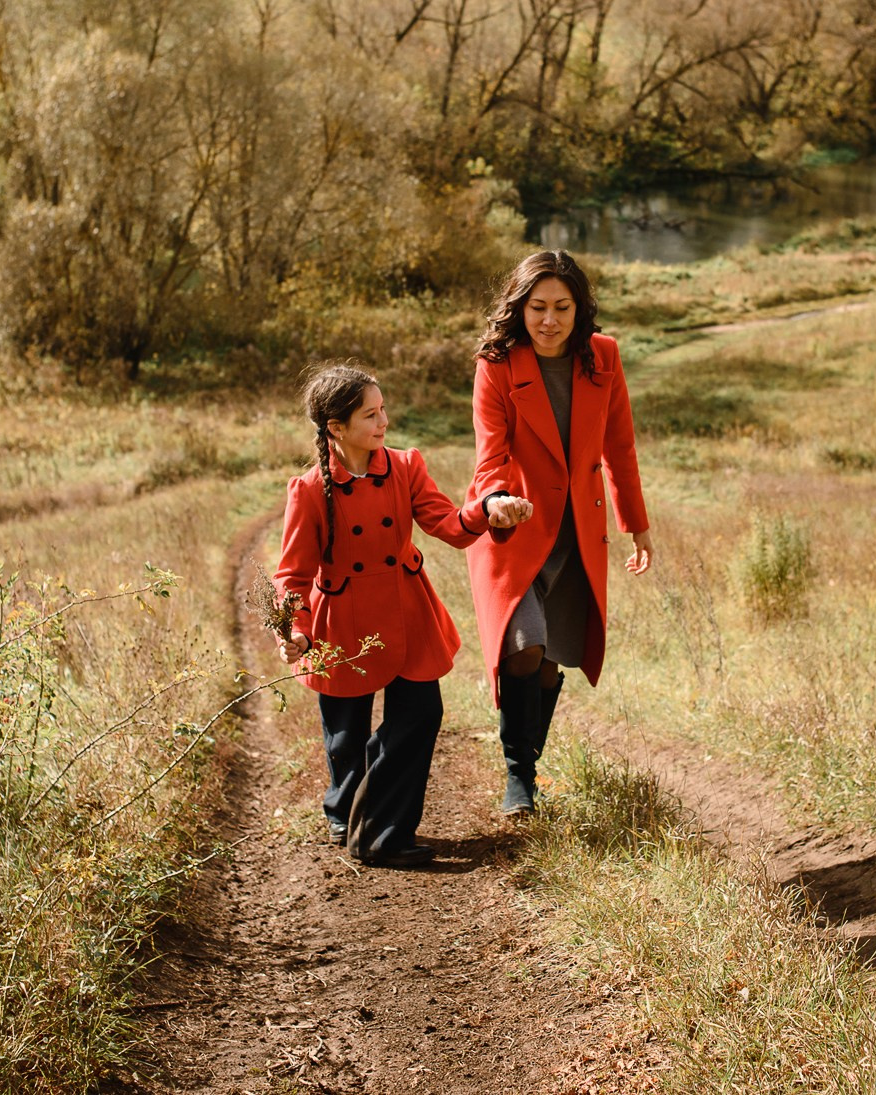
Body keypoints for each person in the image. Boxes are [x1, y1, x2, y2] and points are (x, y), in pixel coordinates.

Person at [274, 364, 532, 866]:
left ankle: (383, 832)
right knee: (346, 738)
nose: (383, 421)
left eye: (383, 409)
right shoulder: (309, 490)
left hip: (405, 607)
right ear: (336, 428)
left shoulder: (406, 466)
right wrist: (297, 630)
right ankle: (345, 811)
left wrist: (489, 508)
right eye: (370, 414)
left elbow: (449, 524)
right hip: (342, 619)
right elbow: (292, 574)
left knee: (421, 714)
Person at [467, 251, 652, 814]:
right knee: (526, 647)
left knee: (551, 664)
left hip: (578, 535)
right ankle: (518, 776)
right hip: (514, 529)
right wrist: (497, 500)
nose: (549, 319)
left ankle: (530, 761)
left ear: (580, 308)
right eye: (537, 306)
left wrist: (636, 527)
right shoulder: (496, 365)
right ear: (520, 308)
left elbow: (619, 447)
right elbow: (489, 453)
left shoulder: (605, 357)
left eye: (562, 307)